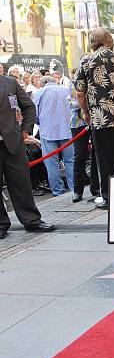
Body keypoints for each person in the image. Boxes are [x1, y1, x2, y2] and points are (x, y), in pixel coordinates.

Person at [75, 27, 114, 209]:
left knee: (105, 160)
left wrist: (87, 112)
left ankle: (109, 199)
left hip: (101, 118)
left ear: (92, 42)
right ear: (110, 39)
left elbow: (80, 92)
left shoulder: (86, 61)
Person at [0, 72, 56, 238]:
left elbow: (29, 107)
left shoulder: (10, 83)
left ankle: (32, 221)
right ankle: (1, 225)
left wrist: (25, 130)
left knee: (21, 183)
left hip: (13, 142)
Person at [33, 75, 74, 196]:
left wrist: (39, 122)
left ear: (43, 83)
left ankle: (58, 192)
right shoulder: (65, 90)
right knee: (70, 162)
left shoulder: (39, 92)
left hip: (48, 132)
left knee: (51, 164)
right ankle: (74, 190)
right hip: (67, 131)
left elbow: (34, 114)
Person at [69, 73, 99, 203]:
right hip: (78, 123)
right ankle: (77, 190)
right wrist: (86, 104)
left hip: (96, 121)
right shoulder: (74, 83)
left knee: (97, 155)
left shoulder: (96, 80)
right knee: (79, 156)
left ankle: (95, 188)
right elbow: (72, 104)